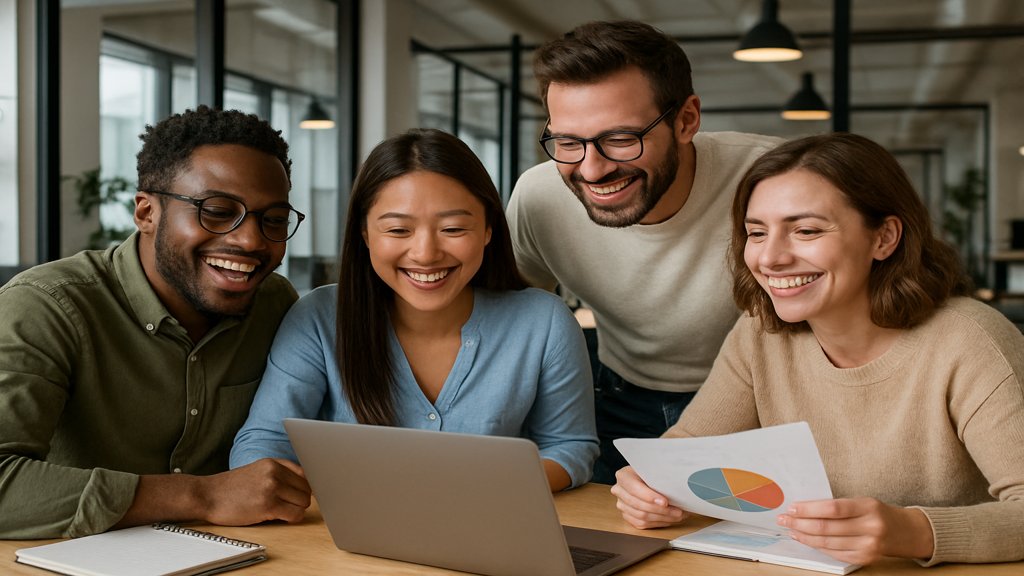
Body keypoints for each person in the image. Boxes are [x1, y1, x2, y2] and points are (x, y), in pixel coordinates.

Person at [611, 133, 1024, 566]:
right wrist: (647, 487)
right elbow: (684, 452)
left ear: (884, 238)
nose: (770, 258)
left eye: (805, 230)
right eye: (756, 233)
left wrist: (914, 531)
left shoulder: (972, 341)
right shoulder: (759, 332)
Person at [0, 106, 311, 539]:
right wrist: (203, 496)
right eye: (217, 211)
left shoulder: (276, 304)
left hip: (239, 558)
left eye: (273, 220)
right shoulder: (46, 306)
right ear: (147, 213)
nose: (251, 240)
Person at [230, 128, 598, 491]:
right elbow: (262, 443)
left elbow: (570, 446)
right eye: (398, 231)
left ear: (488, 229)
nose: (425, 254)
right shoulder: (318, 317)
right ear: (364, 233)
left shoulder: (543, 321)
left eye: (453, 228)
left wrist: (476, 488)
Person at [506, 20, 784, 484]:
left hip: (763, 405)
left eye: (620, 138)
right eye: (569, 143)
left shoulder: (772, 180)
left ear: (686, 120)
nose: (592, 170)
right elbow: (509, 308)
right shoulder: (539, 197)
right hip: (618, 399)